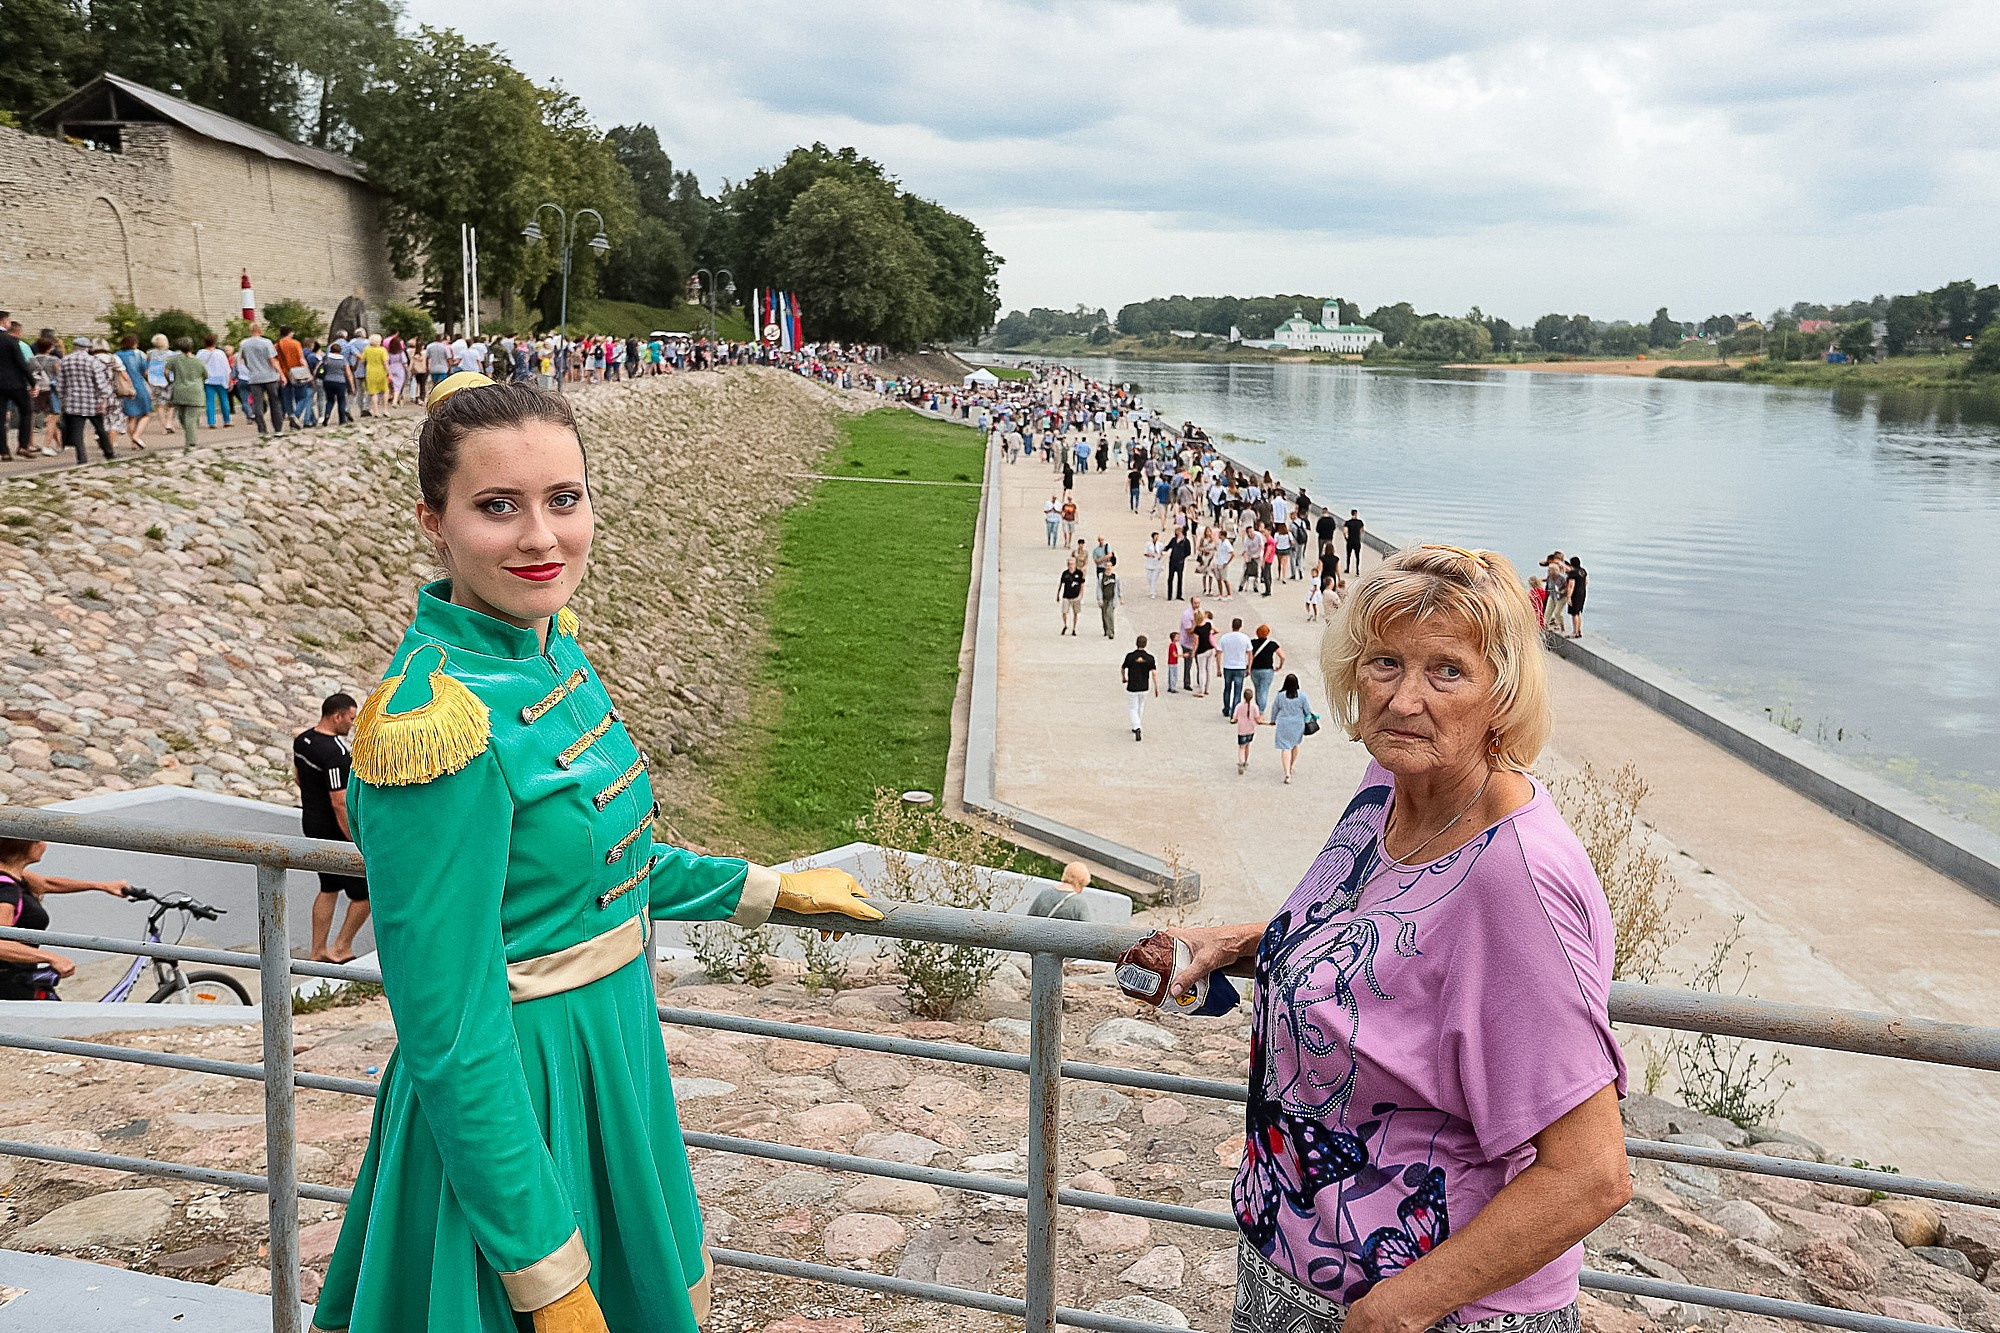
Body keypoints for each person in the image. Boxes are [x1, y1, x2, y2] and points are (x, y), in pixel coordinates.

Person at [310, 371, 881, 1333]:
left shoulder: (547, 649)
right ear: (432, 520)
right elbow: (449, 1030)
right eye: (498, 507)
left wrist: (768, 888)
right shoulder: (436, 724)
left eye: (562, 499)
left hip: (609, 1054)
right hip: (514, 1104)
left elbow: (602, 868)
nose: (541, 537)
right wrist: (542, 1267)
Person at [1160, 543, 1629, 1333]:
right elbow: (1386, 938)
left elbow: (1591, 1174)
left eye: (1447, 670)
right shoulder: (1389, 785)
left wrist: (1400, 1307)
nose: (1405, 699)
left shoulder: (1515, 876)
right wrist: (1242, 943)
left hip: (1427, 1310)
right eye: (1385, 662)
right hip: (1291, 1267)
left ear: (1502, 697)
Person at [0, 837, 129, 999]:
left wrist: (102, 886)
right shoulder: (6, 890)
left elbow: (48, 884)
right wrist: (51, 957)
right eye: (38, 841)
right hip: (9, 982)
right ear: (22, 846)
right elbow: (1, 943)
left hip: (20, 976)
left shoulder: (15, 874)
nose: (44, 845)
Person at [296, 692, 371, 964]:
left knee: (328, 888)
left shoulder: (303, 740)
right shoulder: (336, 754)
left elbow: (298, 778)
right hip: (334, 831)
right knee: (366, 894)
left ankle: (317, 952)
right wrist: (354, 839)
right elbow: (340, 802)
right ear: (337, 716)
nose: (352, 723)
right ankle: (341, 948)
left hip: (311, 824)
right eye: (351, 718)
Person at [56, 336, 117, 462]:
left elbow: (61, 383)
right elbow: (100, 382)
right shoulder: (93, 361)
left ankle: (81, 457)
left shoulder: (65, 361)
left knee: (77, 431)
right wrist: (104, 399)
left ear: (74, 346)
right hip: (92, 401)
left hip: (73, 402)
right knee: (100, 428)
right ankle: (109, 452)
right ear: (88, 348)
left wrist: (62, 399)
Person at [236, 324, 284, 436]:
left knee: (257, 404)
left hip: (254, 378)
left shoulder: (244, 343)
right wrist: (281, 374)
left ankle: (262, 429)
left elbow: (244, 360)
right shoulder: (266, 342)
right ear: (260, 330)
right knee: (274, 402)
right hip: (269, 376)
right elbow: (272, 360)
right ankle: (278, 428)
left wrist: (251, 369)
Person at [1267, 671, 1314, 784]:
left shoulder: (1280, 696)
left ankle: (1287, 773)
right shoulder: (1302, 696)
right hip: (1298, 724)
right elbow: (1307, 711)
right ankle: (1291, 765)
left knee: (1285, 747)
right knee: (1295, 745)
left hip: (1284, 724)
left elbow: (1275, 709)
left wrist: (1273, 720)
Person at [165, 337, 207, 449]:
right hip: (195, 391)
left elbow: (166, 371)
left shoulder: (174, 360)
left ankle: (190, 441)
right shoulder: (198, 361)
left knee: (182, 416)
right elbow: (206, 375)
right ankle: (191, 434)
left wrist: (170, 381)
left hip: (179, 391)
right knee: (191, 417)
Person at [0, 312, 31, 460]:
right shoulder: (11, 340)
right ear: (4, 322)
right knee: (26, 411)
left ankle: (4, 451)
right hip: (15, 384)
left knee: (0, 417)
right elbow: (22, 364)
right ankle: (23, 446)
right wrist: (33, 383)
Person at [115, 334, 153, 448]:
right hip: (138, 386)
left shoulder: (117, 355)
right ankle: (136, 436)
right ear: (135, 343)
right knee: (146, 413)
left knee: (131, 416)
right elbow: (145, 372)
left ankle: (133, 443)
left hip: (124, 388)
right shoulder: (138, 354)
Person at [1120, 634, 1159, 741]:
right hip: (1144, 686)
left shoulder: (1130, 656)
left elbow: (1123, 668)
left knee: (1132, 707)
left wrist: (1124, 677)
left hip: (1132, 685)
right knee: (1141, 706)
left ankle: (1136, 726)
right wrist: (1156, 687)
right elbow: (1154, 673)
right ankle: (1137, 724)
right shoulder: (1150, 658)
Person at [1218, 616, 1253, 719]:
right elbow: (1250, 653)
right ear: (1240, 626)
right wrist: (1249, 668)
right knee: (1238, 691)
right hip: (1240, 666)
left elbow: (1219, 652)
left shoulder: (1225, 637)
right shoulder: (1245, 638)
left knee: (1227, 688)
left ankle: (1226, 708)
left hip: (1228, 666)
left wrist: (1218, 667)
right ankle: (1234, 712)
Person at [198, 335, 234, 427]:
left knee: (210, 401)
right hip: (221, 379)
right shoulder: (220, 353)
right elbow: (226, 368)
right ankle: (227, 420)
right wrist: (230, 380)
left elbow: (198, 366)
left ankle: (211, 422)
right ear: (215, 342)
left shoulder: (201, 353)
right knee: (224, 400)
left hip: (208, 379)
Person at [1249, 624, 1285, 712]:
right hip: (1267, 670)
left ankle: (1258, 708)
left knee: (1258, 689)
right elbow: (1282, 657)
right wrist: (1280, 666)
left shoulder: (1252, 643)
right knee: (1264, 690)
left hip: (1255, 669)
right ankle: (1261, 711)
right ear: (1268, 633)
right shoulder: (1272, 644)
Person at [1232, 687, 1260, 776]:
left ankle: (1241, 761)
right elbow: (1257, 718)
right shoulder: (1255, 707)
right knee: (1248, 745)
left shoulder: (1239, 706)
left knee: (1241, 747)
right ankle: (1246, 761)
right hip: (1251, 729)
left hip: (1241, 730)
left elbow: (1234, 717)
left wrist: (1234, 720)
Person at [363, 333, 391, 415]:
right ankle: (385, 410)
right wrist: (389, 372)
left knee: (373, 393)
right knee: (385, 391)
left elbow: (362, 360)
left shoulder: (367, 349)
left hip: (370, 372)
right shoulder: (382, 350)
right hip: (381, 372)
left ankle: (375, 412)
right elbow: (385, 363)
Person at [1541, 553, 1569, 634]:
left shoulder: (1562, 578)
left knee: (1557, 613)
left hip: (1561, 597)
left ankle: (1562, 627)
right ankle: (1545, 627)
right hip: (1552, 596)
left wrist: (1562, 591)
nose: (1548, 571)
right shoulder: (1550, 577)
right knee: (1547, 612)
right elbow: (1542, 564)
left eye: (1549, 570)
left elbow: (1567, 587)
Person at [1058, 561, 1086, 635]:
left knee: (1075, 613)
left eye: (1072, 564)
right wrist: (1058, 594)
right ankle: (1065, 625)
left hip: (1076, 596)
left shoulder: (1079, 573)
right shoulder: (1065, 573)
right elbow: (1061, 584)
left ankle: (1074, 628)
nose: (1071, 566)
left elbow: (1082, 584)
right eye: (1069, 564)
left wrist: (1081, 595)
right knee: (1064, 612)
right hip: (1066, 595)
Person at [1097, 555, 1121, 639]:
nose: (1108, 568)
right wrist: (1099, 598)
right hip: (1104, 597)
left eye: (1110, 566)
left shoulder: (1115, 577)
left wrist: (1120, 597)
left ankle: (1111, 631)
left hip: (1111, 598)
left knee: (1110, 614)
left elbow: (1118, 588)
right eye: (1107, 566)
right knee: (1104, 615)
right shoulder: (1101, 576)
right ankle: (1106, 629)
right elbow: (1099, 587)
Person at [1565, 556, 1588, 639]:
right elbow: (1586, 582)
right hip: (1582, 592)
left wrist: (1568, 597)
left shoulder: (1573, 573)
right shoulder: (1583, 571)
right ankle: (1579, 631)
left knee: (1574, 613)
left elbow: (1571, 585)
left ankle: (1574, 632)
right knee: (1578, 612)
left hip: (1575, 593)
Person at [1166, 528, 1191, 601]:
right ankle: (1169, 595)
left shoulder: (1186, 541)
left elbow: (1188, 551)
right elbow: (1168, 547)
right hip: (1172, 561)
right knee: (1170, 578)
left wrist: (1182, 557)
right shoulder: (1174, 539)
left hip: (1180, 562)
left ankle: (1179, 595)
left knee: (1180, 578)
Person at [1344, 508, 1365, 574]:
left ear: (1351, 514)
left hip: (1350, 541)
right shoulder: (1360, 522)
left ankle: (1347, 568)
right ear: (1356, 514)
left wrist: (1346, 538)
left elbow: (1345, 532)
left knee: (1348, 555)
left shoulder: (1348, 522)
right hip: (1357, 541)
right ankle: (1357, 570)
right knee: (1357, 556)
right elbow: (1362, 531)